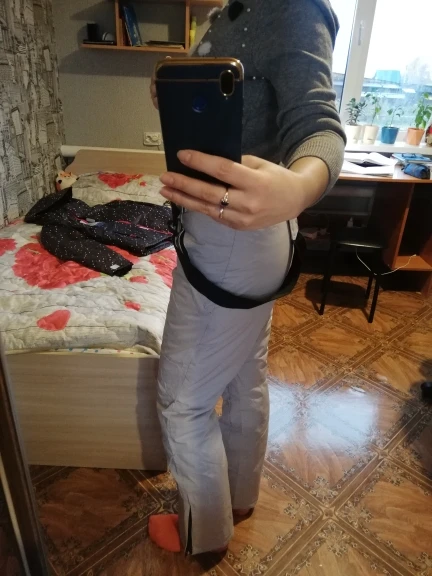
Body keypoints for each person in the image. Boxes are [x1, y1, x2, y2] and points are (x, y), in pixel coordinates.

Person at [148, 0, 346, 556]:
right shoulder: (226, 12)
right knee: (243, 378)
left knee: (182, 403)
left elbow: (319, 127)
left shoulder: (292, 7)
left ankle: (204, 536)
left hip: (233, 232)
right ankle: (237, 498)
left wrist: (299, 189)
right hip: (239, 234)